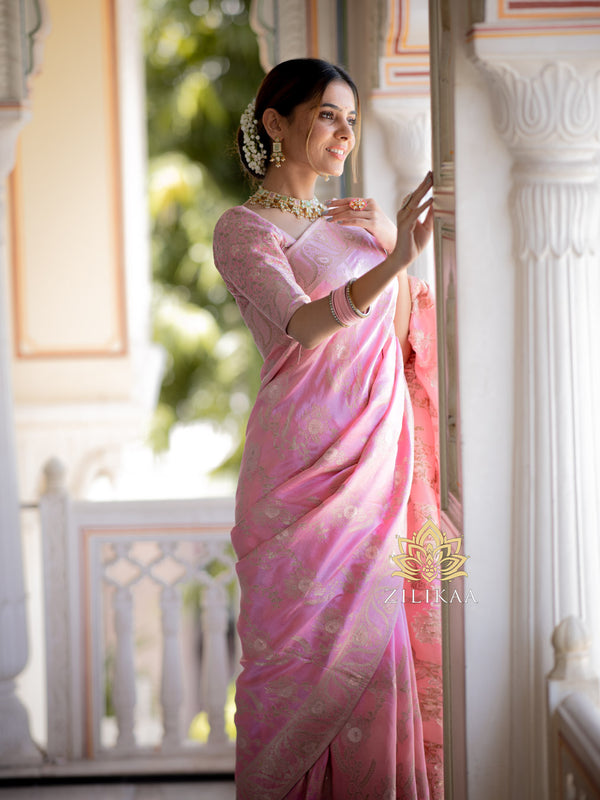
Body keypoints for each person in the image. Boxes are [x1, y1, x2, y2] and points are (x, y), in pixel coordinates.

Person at [213, 58, 442, 800]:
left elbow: (403, 341)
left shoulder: (357, 222)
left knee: (376, 663)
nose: (344, 133)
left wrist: (397, 258)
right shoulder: (242, 228)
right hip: (297, 486)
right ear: (275, 122)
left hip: (372, 477)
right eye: (325, 116)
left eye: (350, 117)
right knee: (290, 672)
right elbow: (304, 326)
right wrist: (396, 260)